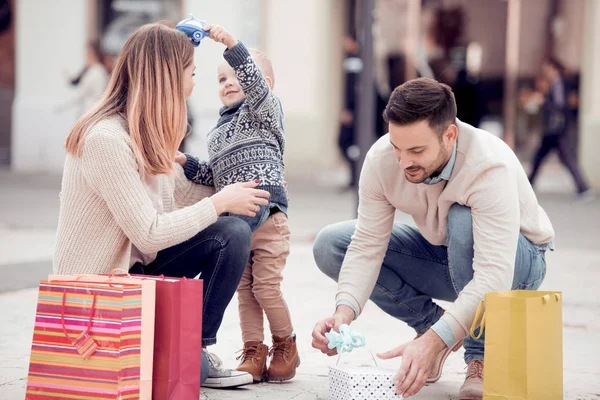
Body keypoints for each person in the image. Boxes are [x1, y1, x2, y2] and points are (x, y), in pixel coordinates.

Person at [53, 23, 272, 389]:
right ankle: (190, 355)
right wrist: (220, 201)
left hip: (134, 273)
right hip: (98, 295)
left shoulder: (145, 133)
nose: (193, 85)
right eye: (192, 73)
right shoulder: (106, 139)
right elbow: (149, 232)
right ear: (167, 78)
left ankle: (196, 346)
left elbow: (185, 199)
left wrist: (249, 184)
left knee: (231, 231)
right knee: (226, 223)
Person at [311, 78, 555, 399]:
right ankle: (432, 327)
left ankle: (480, 354)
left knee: (461, 218)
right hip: (445, 251)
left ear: (450, 135)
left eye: (416, 150)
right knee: (332, 244)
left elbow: (493, 275)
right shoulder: (382, 158)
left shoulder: (488, 165)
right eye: (397, 147)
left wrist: (437, 341)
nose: (403, 162)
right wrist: (343, 313)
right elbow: (367, 243)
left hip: (516, 266)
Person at [176, 24, 299, 382]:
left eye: (236, 76)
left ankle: (285, 343)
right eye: (220, 79)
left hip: (269, 216)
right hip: (240, 222)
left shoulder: (265, 111)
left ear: (264, 85)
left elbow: (254, 82)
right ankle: (253, 350)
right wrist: (188, 163)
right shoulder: (217, 131)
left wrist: (231, 45)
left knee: (266, 287)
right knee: (244, 291)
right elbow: (214, 176)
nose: (228, 82)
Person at [527, 58, 593, 200]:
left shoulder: (561, 84)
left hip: (558, 129)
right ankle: (527, 186)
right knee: (540, 158)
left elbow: (560, 106)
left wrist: (544, 102)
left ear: (554, 69)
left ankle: (584, 188)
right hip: (553, 129)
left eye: (547, 69)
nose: (545, 72)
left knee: (565, 159)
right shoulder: (554, 85)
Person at [56, 41, 109, 116]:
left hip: (92, 112)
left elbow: (97, 94)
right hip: (88, 111)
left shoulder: (97, 72)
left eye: (88, 53)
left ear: (93, 54)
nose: (86, 56)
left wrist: (63, 106)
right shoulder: (92, 71)